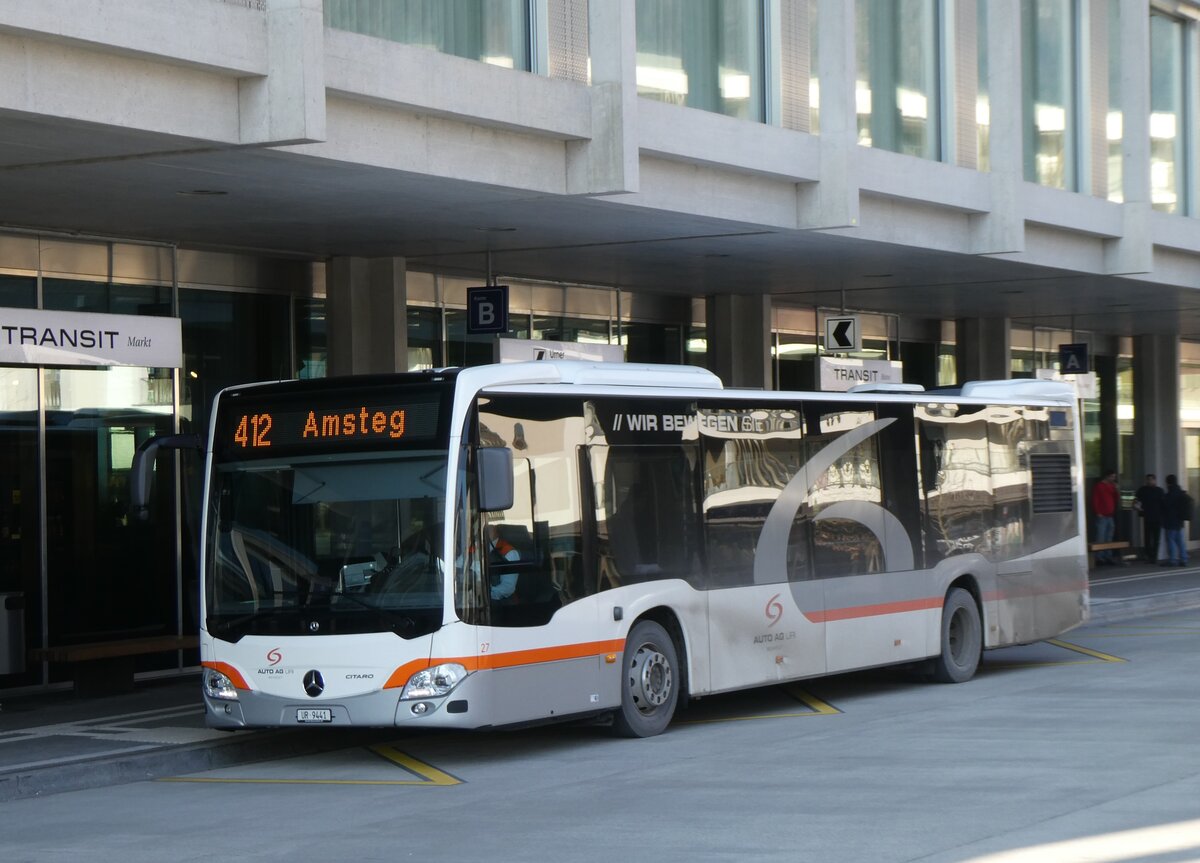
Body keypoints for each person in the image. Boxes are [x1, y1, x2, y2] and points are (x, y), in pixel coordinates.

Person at [1091, 469, 1125, 566]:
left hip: (1110, 515)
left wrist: (1116, 489)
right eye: (1112, 477)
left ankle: (1107, 555)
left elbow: (1116, 498)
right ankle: (1100, 557)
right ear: (1107, 476)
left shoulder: (1111, 486)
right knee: (1101, 536)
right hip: (1102, 515)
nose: (1113, 479)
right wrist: (1097, 512)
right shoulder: (1099, 486)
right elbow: (1095, 499)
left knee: (1109, 536)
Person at [1160, 475, 1193, 567]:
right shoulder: (1180, 493)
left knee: (1171, 540)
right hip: (1180, 521)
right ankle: (1184, 559)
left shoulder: (1169, 495)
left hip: (1170, 521)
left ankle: (1172, 560)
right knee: (1180, 541)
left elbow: (1165, 507)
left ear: (1167, 482)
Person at [1134, 474, 1165, 563]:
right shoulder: (1143, 490)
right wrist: (1137, 507)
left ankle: (1154, 556)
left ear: (1155, 480)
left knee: (1155, 538)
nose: (1149, 481)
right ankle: (1149, 555)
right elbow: (1136, 500)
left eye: (1151, 480)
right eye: (1148, 480)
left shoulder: (1159, 491)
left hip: (1156, 517)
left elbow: (1163, 504)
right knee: (1147, 538)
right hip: (1147, 517)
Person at [487, 524, 521, 601]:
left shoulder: (509, 552)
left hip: (499, 603)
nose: (486, 527)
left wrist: (484, 595)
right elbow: (458, 568)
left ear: (497, 532)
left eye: (490, 526)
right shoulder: (475, 547)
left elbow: (507, 588)